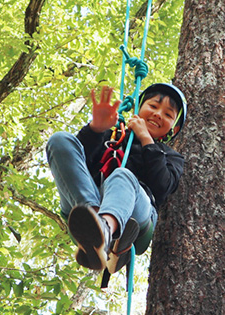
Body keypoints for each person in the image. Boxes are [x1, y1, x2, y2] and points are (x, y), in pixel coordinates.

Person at [46, 83, 186, 275]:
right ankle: (95, 225)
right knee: (60, 140)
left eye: (168, 114)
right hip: (87, 201)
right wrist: (96, 128)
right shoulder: (113, 134)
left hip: (136, 215)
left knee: (122, 175)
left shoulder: (169, 156)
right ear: (138, 108)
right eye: (153, 106)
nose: (158, 114)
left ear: (174, 128)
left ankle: (105, 228)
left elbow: (161, 186)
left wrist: (146, 139)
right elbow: (78, 165)